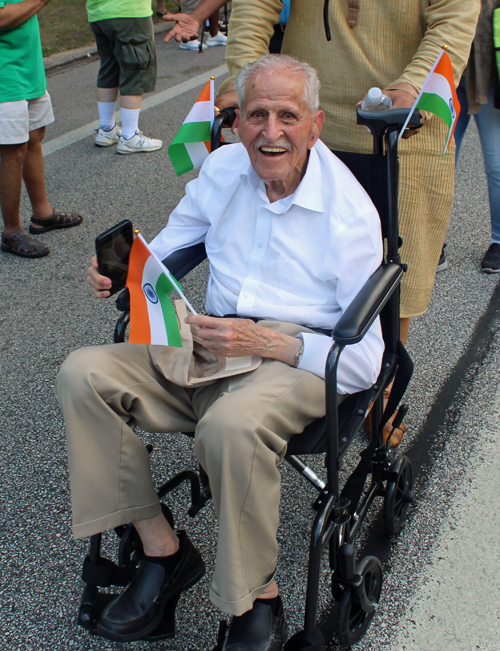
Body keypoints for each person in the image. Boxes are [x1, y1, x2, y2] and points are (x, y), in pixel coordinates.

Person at [57, 55, 385, 650]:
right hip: (210, 340)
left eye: (288, 116)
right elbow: (169, 247)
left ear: (315, 125)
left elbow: (363, 361)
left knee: (229, 427)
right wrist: (125, 273)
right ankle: (164, 552)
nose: (270, 131)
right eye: (256, 114)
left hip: (292, 354)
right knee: (82, 374)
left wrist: (265, 341)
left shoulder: (350, 214)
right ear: (235, 124)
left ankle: (257, 598)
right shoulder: (223, 172)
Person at [216, 0, 480, 445]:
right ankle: (294, 375)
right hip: (304, 117)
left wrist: (414, 85)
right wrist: (248, 80)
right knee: (294, 257)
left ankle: (375, 387)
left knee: (394, 273)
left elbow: (453, 18)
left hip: (399, 124)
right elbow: (254, 3)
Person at [0, 0, 83, 259]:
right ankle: (11, 230)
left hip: (29, 68)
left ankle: (42, 215)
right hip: (5, 76)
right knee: (13, 151)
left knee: (35, 137)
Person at [454, 0, 500, 273]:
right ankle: (434, 243)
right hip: (451, 76)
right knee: (440, 163)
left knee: (496, 163)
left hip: (490, 73)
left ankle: (499, 240)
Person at [88, 0, 163, 154]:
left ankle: (106, 128)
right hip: (129, 10)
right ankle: (130, 137)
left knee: (109, 67)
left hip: (98, 11)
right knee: (135, 70)